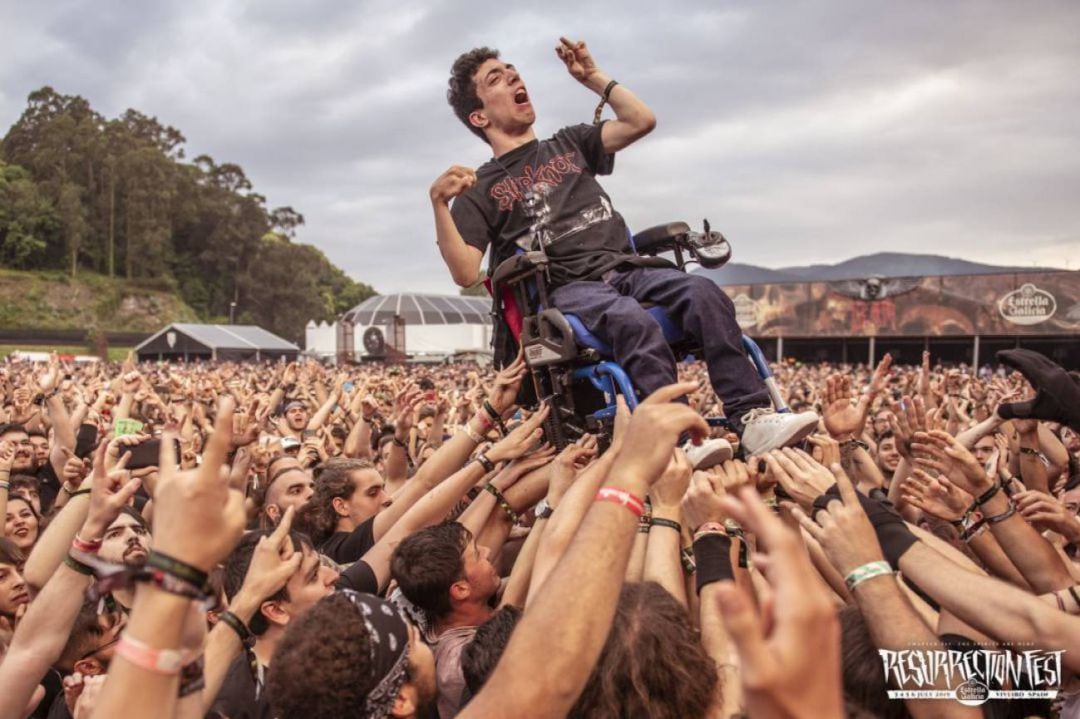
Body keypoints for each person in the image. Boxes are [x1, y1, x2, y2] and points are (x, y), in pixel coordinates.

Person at [430, 38, 819, 460]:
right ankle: (678, 437)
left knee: (704, 293)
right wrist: (439, 204)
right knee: (630, 320)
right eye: (496, 79)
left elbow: (641, 120)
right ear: (479, 115)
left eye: (511, 70)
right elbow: (466, 271)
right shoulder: (480, 187)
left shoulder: (569, 142)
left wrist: (593, 78)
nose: (512, 77)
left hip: (627, 267)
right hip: (569, 288)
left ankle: (751, 417)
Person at [391, 522, 499, 718]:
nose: (488, 551)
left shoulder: (417, 597)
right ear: (460, 590)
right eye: (477, 554)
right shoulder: (460, 667)